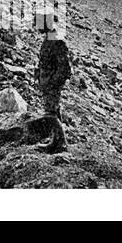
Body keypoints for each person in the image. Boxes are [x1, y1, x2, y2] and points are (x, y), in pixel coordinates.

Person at [36, 17, 71, 154]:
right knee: (54, 111)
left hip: (52, 83)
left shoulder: (57, 40)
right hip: (47, 82)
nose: (36, 26)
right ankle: (55, 141)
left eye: (38, 23)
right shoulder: (49, 37)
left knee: (50, 113)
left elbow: (64, 68)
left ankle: (61, 145)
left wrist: (53, 83)